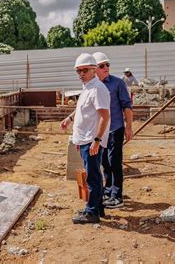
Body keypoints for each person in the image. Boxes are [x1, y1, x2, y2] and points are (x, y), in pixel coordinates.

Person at [60, 53, 110, 224]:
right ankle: (98, 208)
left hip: (91, 141)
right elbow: (83, 111)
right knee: (94, 175)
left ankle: (92, 213)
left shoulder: (97, 89)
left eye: (84, 70)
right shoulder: (88, 87)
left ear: (93, 70)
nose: (81, 73)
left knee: (93, 177)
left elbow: (104, 116)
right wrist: (70, 120)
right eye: (78, 71)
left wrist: (96, 140)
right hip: (84, 140)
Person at [93, 52, 133, 209]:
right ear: (94, 68)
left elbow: (127, 106)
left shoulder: (117, 83)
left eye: (107, 65)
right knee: (104, 162)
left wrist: (129, 127)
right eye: (102, 65)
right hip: (101, 132)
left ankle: (117, 196)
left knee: (114, 162)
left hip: (115, 128)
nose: (106, 68)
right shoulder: (94, 85)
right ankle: (108, 191)